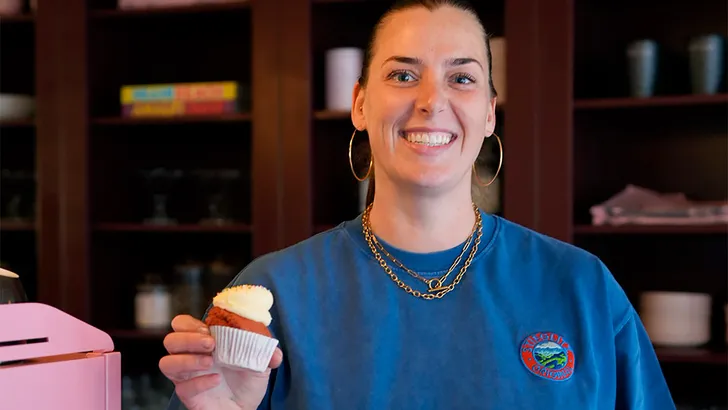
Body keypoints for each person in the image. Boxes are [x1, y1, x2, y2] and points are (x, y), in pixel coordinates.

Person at [160, 0, 676, 409]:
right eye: (403, 75)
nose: (432, 101)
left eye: (462, 78)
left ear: (489, 112)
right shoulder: (272, 295)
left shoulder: (584, 288)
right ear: (360, 104)